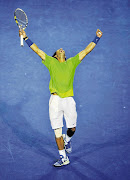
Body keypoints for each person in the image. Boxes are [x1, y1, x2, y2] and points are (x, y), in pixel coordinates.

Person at [19, 29, 103, 167]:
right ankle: (63, 158)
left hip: (69, 100)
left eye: (62, 49)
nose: (61, 49)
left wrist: (97, 38)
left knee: (72, 128)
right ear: (56, 56)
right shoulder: (51, 63)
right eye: (58, 50)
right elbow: (37, 50)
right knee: (57, 131)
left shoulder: (72, 62)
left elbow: (86, 50)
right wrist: (25, 36)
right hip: (55, 101)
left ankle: (68, 139)